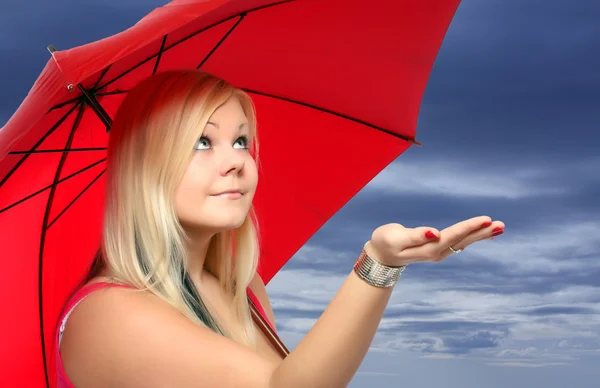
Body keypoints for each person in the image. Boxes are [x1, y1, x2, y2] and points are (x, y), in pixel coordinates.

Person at [54, 70, 505, 388]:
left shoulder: (240, 286)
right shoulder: (110, 315)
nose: (236, 161)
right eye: (201, 142)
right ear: (143, 169)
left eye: (242, 140)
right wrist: (378, 264)